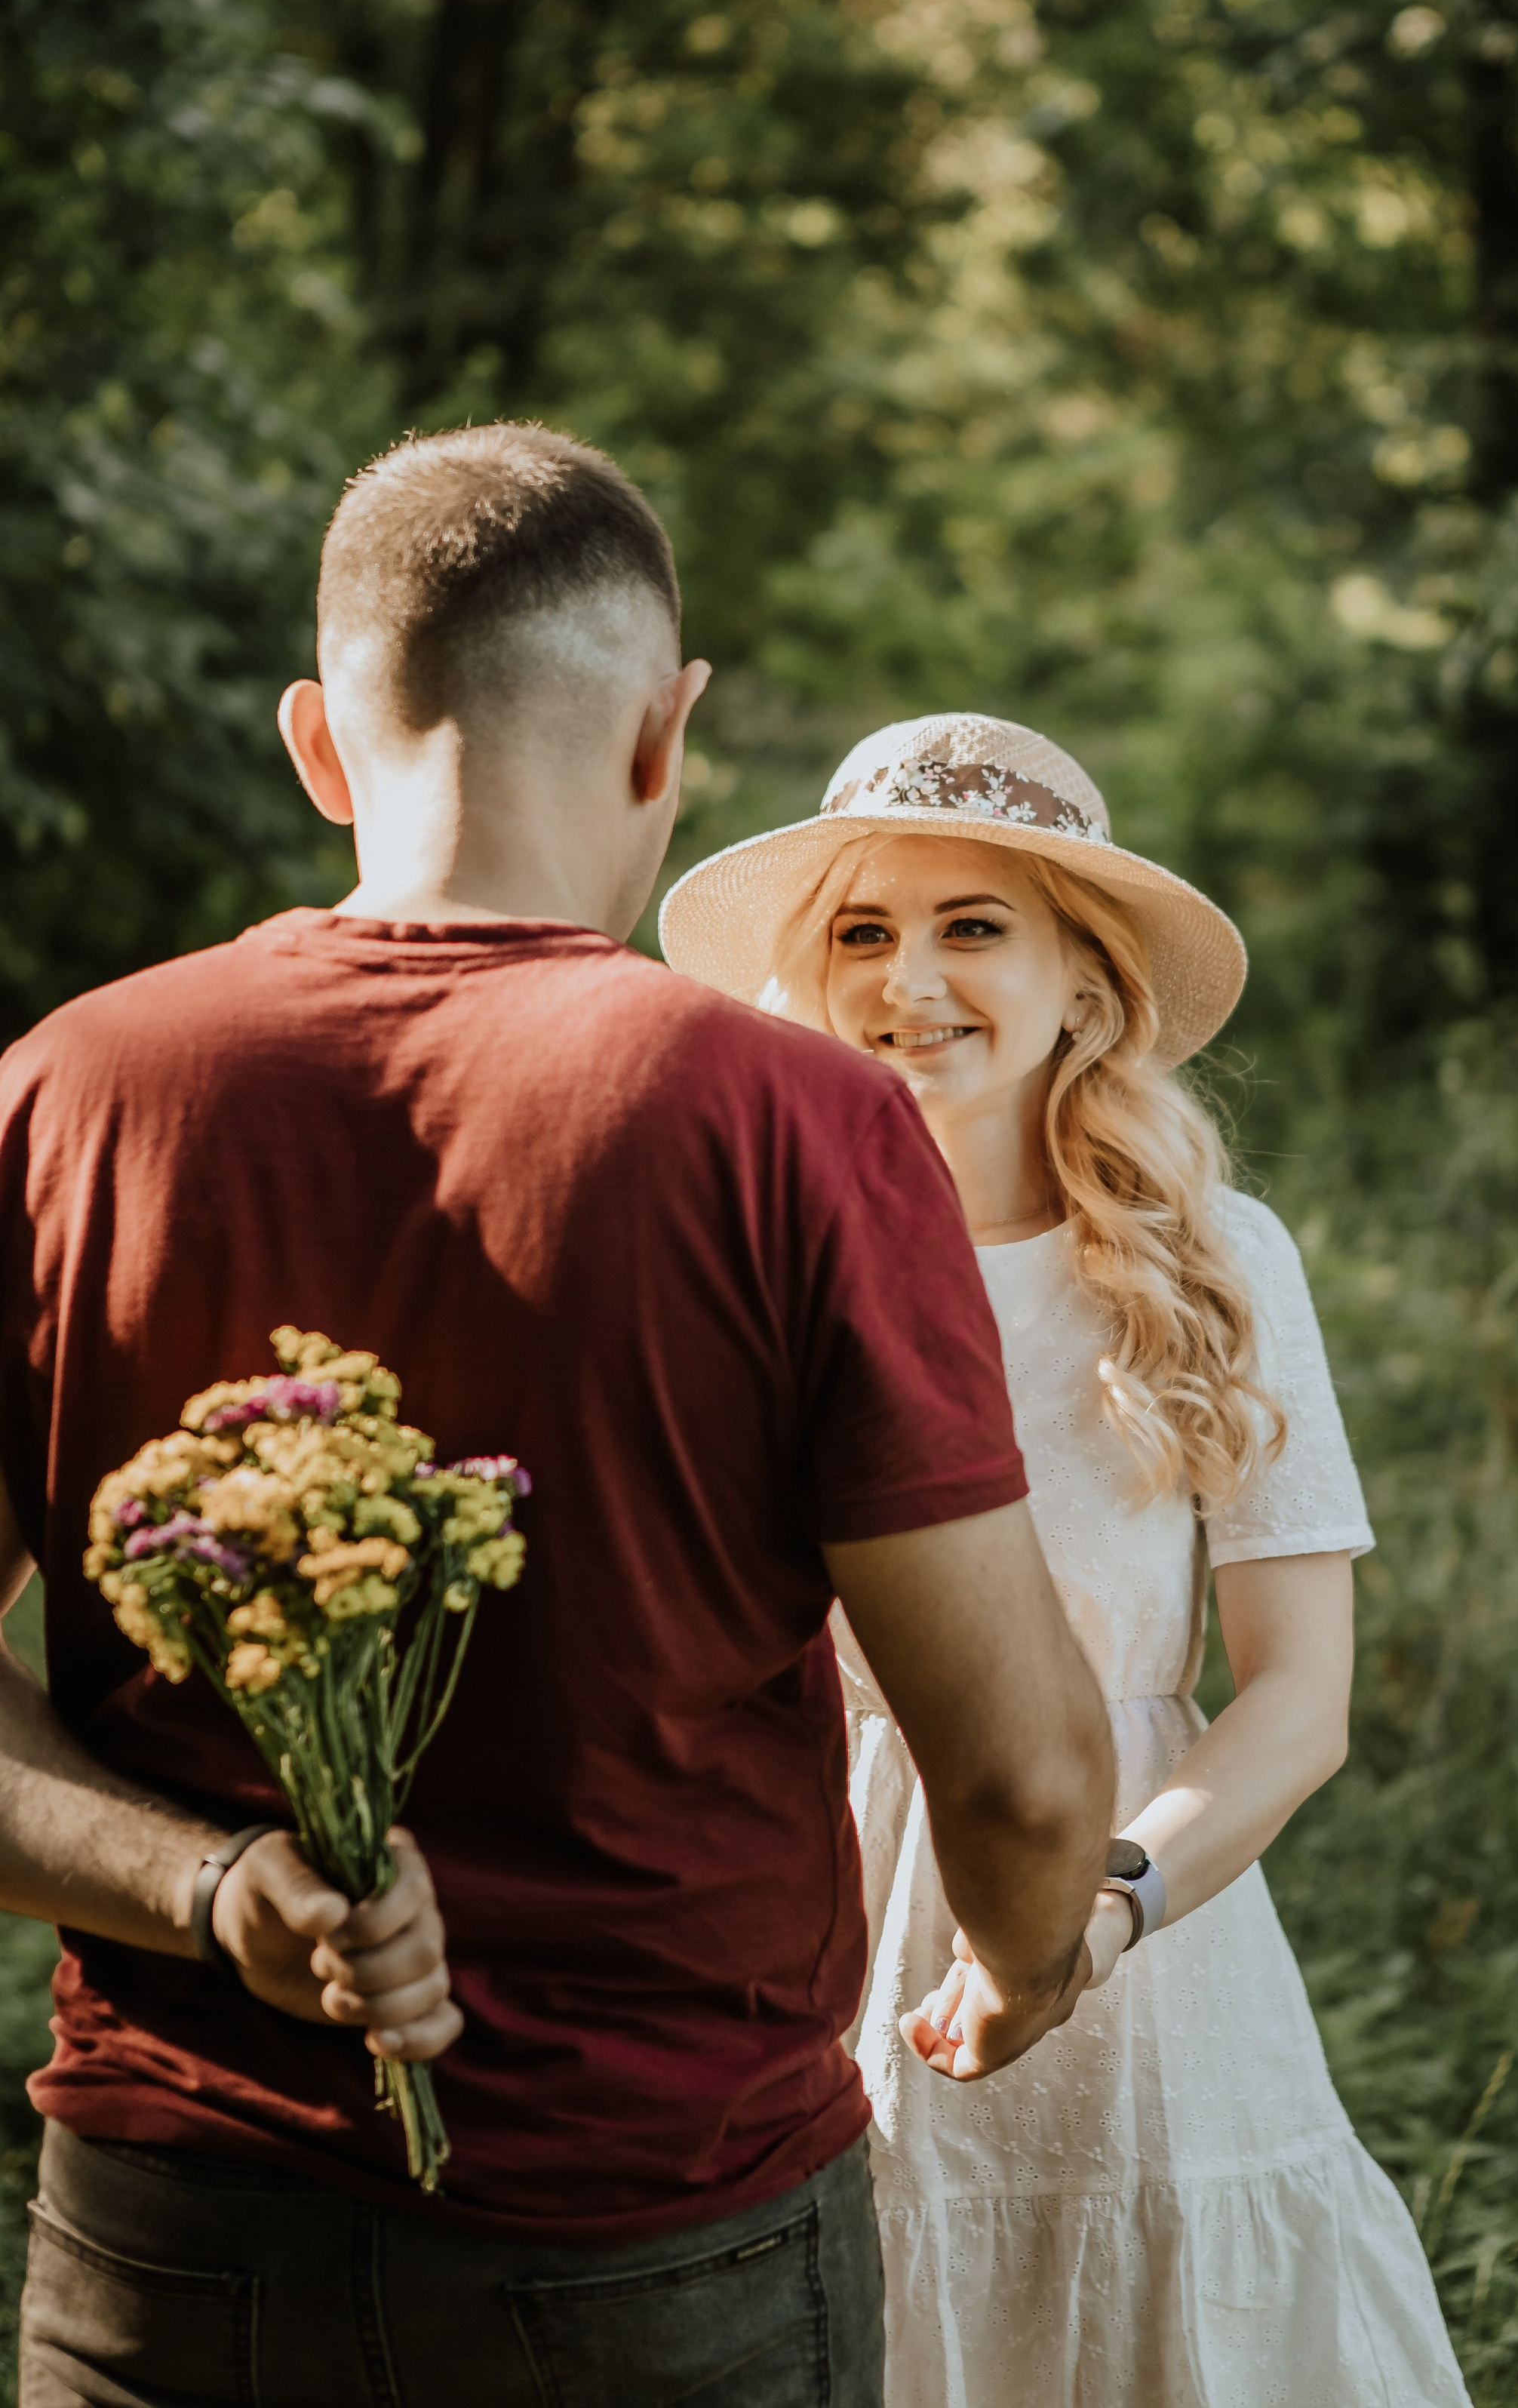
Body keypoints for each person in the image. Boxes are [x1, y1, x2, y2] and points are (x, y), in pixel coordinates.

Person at [0, 436, 1115, 2408]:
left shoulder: (66, 1096)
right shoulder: (793, 1127)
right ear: (665, 737)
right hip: (654, 2241)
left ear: (316, 749)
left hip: (171, 2241)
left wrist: (208, 1886)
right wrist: (1027, 1962)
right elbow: (1020, 1781)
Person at [659, 712, 1470, 2408]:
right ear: (809, 978)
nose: (912, 980)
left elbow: (1299, 1699)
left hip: (1145, 1952)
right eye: (864, 933)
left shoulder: (1213, 1264)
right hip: (800, 1931)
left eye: (973, 928)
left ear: (1080, 982)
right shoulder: (739, 1250)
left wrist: (1092, 1918)